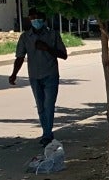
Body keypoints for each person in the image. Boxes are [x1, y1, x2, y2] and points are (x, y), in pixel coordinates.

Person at [9, 9, 68, 146]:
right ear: (29, 19)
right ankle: (47, 132)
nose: (36, 20)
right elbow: (20, 57)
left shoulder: (52, 35)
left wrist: (47, 48)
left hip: (50, 74)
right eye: (33, 18)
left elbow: (63, 55)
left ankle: (47, 134)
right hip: (34, 76)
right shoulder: (25, 37)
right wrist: (14, 74)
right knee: (41, 106)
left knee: (49, 105)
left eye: (38, 17)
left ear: (44, 19)